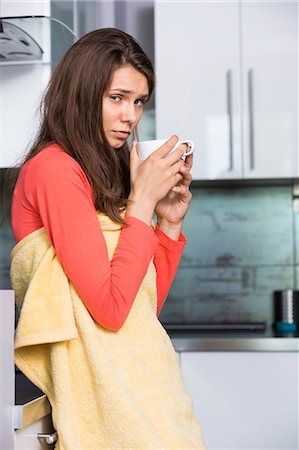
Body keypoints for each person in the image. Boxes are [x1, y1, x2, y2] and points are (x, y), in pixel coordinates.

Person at [10, 28, 206, 449]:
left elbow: (139, 307)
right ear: (82, 94)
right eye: (117, 98)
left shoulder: (104, 173)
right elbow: (111, 311)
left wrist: (167, 223)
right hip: (108, 394)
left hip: (135, 386)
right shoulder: (54, 170)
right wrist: (141, 202)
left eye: (138, 102)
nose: (131, 116)